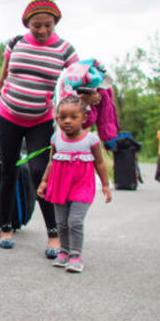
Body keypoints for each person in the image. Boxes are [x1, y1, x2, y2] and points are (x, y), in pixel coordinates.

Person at [0, 0, 94, 257]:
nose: (42, 30)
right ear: (27, 24)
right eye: (36, 25)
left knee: (40, 173)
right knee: (8, 172)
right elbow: (2, 80)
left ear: (55, 23)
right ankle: (6, 228)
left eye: (48, 25)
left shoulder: (65, 49)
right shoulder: (15, 43)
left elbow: (80, 79)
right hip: (7, 116)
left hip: (40, 121)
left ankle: (54, 234)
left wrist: (91, 94)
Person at [36, 96, 112, 273]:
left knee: (75, 221)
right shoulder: (56, 138)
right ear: (57, 119)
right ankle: (64, 252)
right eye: (62, 117)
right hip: (59, 186)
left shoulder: (90, 140)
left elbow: (100, 163)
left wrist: (105, 185)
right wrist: (44, 182)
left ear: (84, 118)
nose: (67, 121)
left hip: (82, 186)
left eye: (73, 117)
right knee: (61, 222)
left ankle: (76, 255)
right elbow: (52, 161)